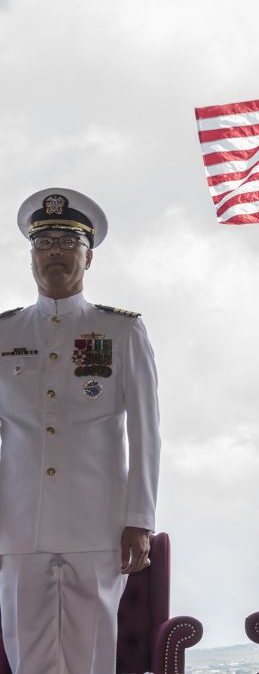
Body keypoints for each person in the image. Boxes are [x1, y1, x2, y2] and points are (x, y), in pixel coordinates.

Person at [0, 188, 160, 673]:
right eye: (44, 241)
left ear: (88, 257)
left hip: (98, 522)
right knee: (26, 653)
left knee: (91, 653)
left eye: (67, 242)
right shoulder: (5, 335)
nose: (55, 251)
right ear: (30, 256)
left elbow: (147, 431)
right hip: (18, 524)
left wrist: (140, 517)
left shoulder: (121, 331)